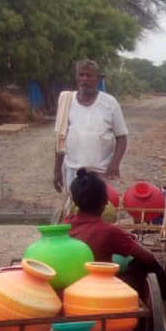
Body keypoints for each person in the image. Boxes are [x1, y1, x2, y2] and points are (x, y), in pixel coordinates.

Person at [66, 169, 166, 303]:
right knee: (143, 262)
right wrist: (129, 241)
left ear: (75, 202)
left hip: (71, 285)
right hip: (100, 288)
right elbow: (148, 256)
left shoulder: (66, 224)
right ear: (104, 201)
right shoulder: (108, 231)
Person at [53, 59, 128, 222]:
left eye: (89, 76)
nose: (84, 79)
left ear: (98, 79)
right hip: (73, 172)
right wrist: (57, 170)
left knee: (102, 216)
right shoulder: (67, 101)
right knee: (73, 216)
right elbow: (60, 138)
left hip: (101, 173)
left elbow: (122, 137)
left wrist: (115, 164)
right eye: (81, 75)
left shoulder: (110, 103)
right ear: (76, 77)